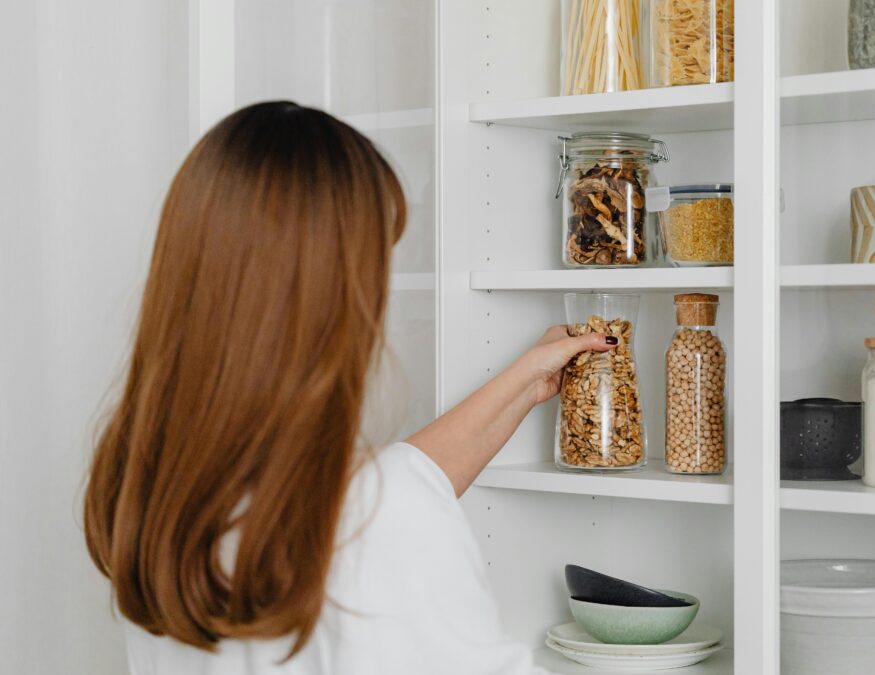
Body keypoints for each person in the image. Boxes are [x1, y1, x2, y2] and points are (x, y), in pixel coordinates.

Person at [83, 101, 616, 674]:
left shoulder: (152, 487)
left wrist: (522, 382)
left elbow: (380, 487)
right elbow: (378, 508)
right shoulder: (382, 518)